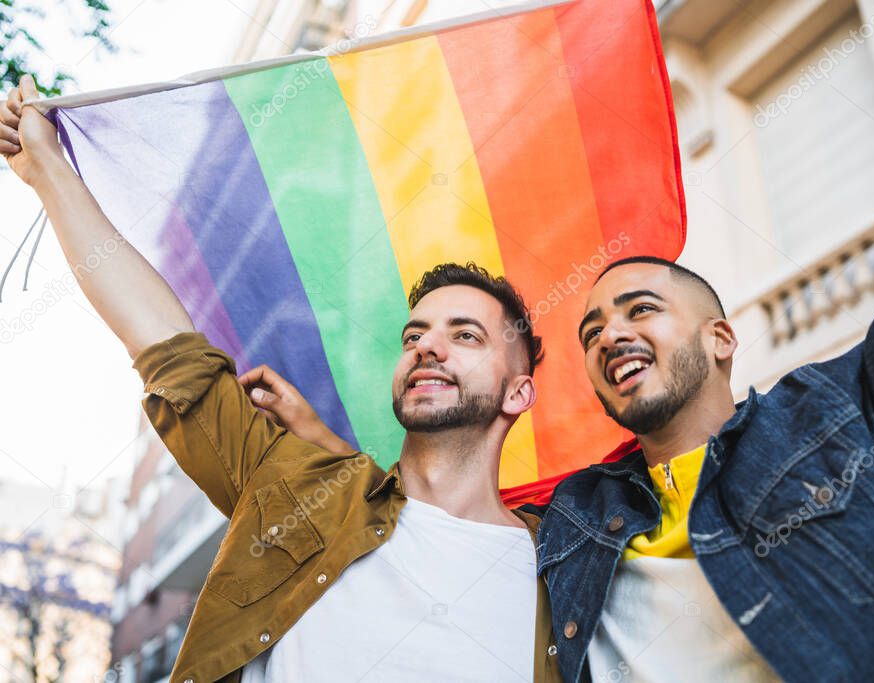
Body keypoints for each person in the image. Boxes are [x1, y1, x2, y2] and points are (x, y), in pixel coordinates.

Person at [255, 1, 874, 680]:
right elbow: (438, 505)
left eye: (640, 309)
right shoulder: (572, 517)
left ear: (721, 337)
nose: (610, 332)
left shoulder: (847, 420)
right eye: (590, 329)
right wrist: (325, 444)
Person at [0, 86, 561, 680]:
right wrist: (48, 169)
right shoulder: (294, 486)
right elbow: (163, 343)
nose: (427, 346)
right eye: (413, 335)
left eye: (466, 336)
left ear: (517, 393)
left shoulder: (571, 569)